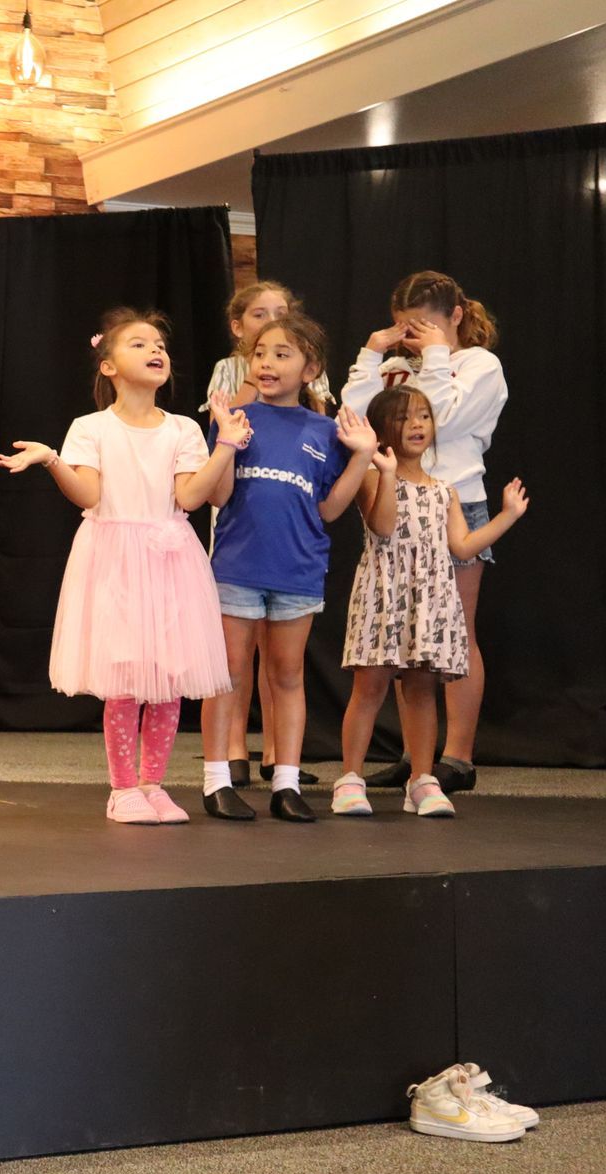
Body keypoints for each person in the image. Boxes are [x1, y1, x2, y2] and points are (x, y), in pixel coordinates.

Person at [0, 309, 238, 823]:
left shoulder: (183, 428)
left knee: (168, 679)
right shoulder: (91, 427)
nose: (156, 351)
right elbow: (89, 493)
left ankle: (154, 783)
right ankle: (123, 788)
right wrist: (52, 459)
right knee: (126, 678)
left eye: (160, 345)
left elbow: (190, 497)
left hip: (170, 558)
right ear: (108, 366)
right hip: (116, 557)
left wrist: (225, 446)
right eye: (139, 344)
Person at [200, 314, 375, 822]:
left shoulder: (324, 431)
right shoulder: (235, 418)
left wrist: (362, 456)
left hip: (297, 572)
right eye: (260, 354)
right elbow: (219, 495)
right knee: (229, 674)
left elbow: (330, 509)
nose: (267, 363)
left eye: (282, 354)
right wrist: (227, 439)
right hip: (238, 566)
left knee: (288, 675)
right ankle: (216, 781)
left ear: (310, 369)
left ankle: (287, 784)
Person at [340, 271, 508, 794]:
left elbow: (444, 421)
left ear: (455, 316)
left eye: (424, 326)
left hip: (453, 502)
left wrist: (436, 356)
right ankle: (416, 757)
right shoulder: (397, 368)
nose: (413, 337)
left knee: (453, 630)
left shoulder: (479, 365)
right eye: (404, 327)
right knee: (404, 631)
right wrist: (372, 356)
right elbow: (356, 418)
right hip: (398, 501)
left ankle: (457, 756)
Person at [334, 386, 526, 818]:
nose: (416, 425)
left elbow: (463, 546)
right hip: (384, 595)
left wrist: (507, 516)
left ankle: (421, 780)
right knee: (370, 687)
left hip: (429, 600)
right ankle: (350, 779)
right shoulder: (372, 476)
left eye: (423, 416)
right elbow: (383, 527)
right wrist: (386, 474)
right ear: (383, 428)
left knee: (421, 690)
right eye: (404, 418)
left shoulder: (444, 491)